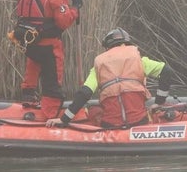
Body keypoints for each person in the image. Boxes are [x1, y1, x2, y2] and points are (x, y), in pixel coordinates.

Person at [45, 27, 173, 129]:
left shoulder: (99, 65)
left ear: (107, 47)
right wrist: (159, 102)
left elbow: (84, 93)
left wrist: (64, 119)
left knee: (93, 110)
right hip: (140, 122)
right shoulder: (139, 59)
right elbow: (166, 71)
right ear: (127, 44)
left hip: (111, 125)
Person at [13, 0, 81, 119]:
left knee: (33, 64)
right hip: (49, 45)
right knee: (52, 81)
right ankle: (49, 115)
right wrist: (75, 9)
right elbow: (63, 22)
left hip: (29, 44)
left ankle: (29, 96)